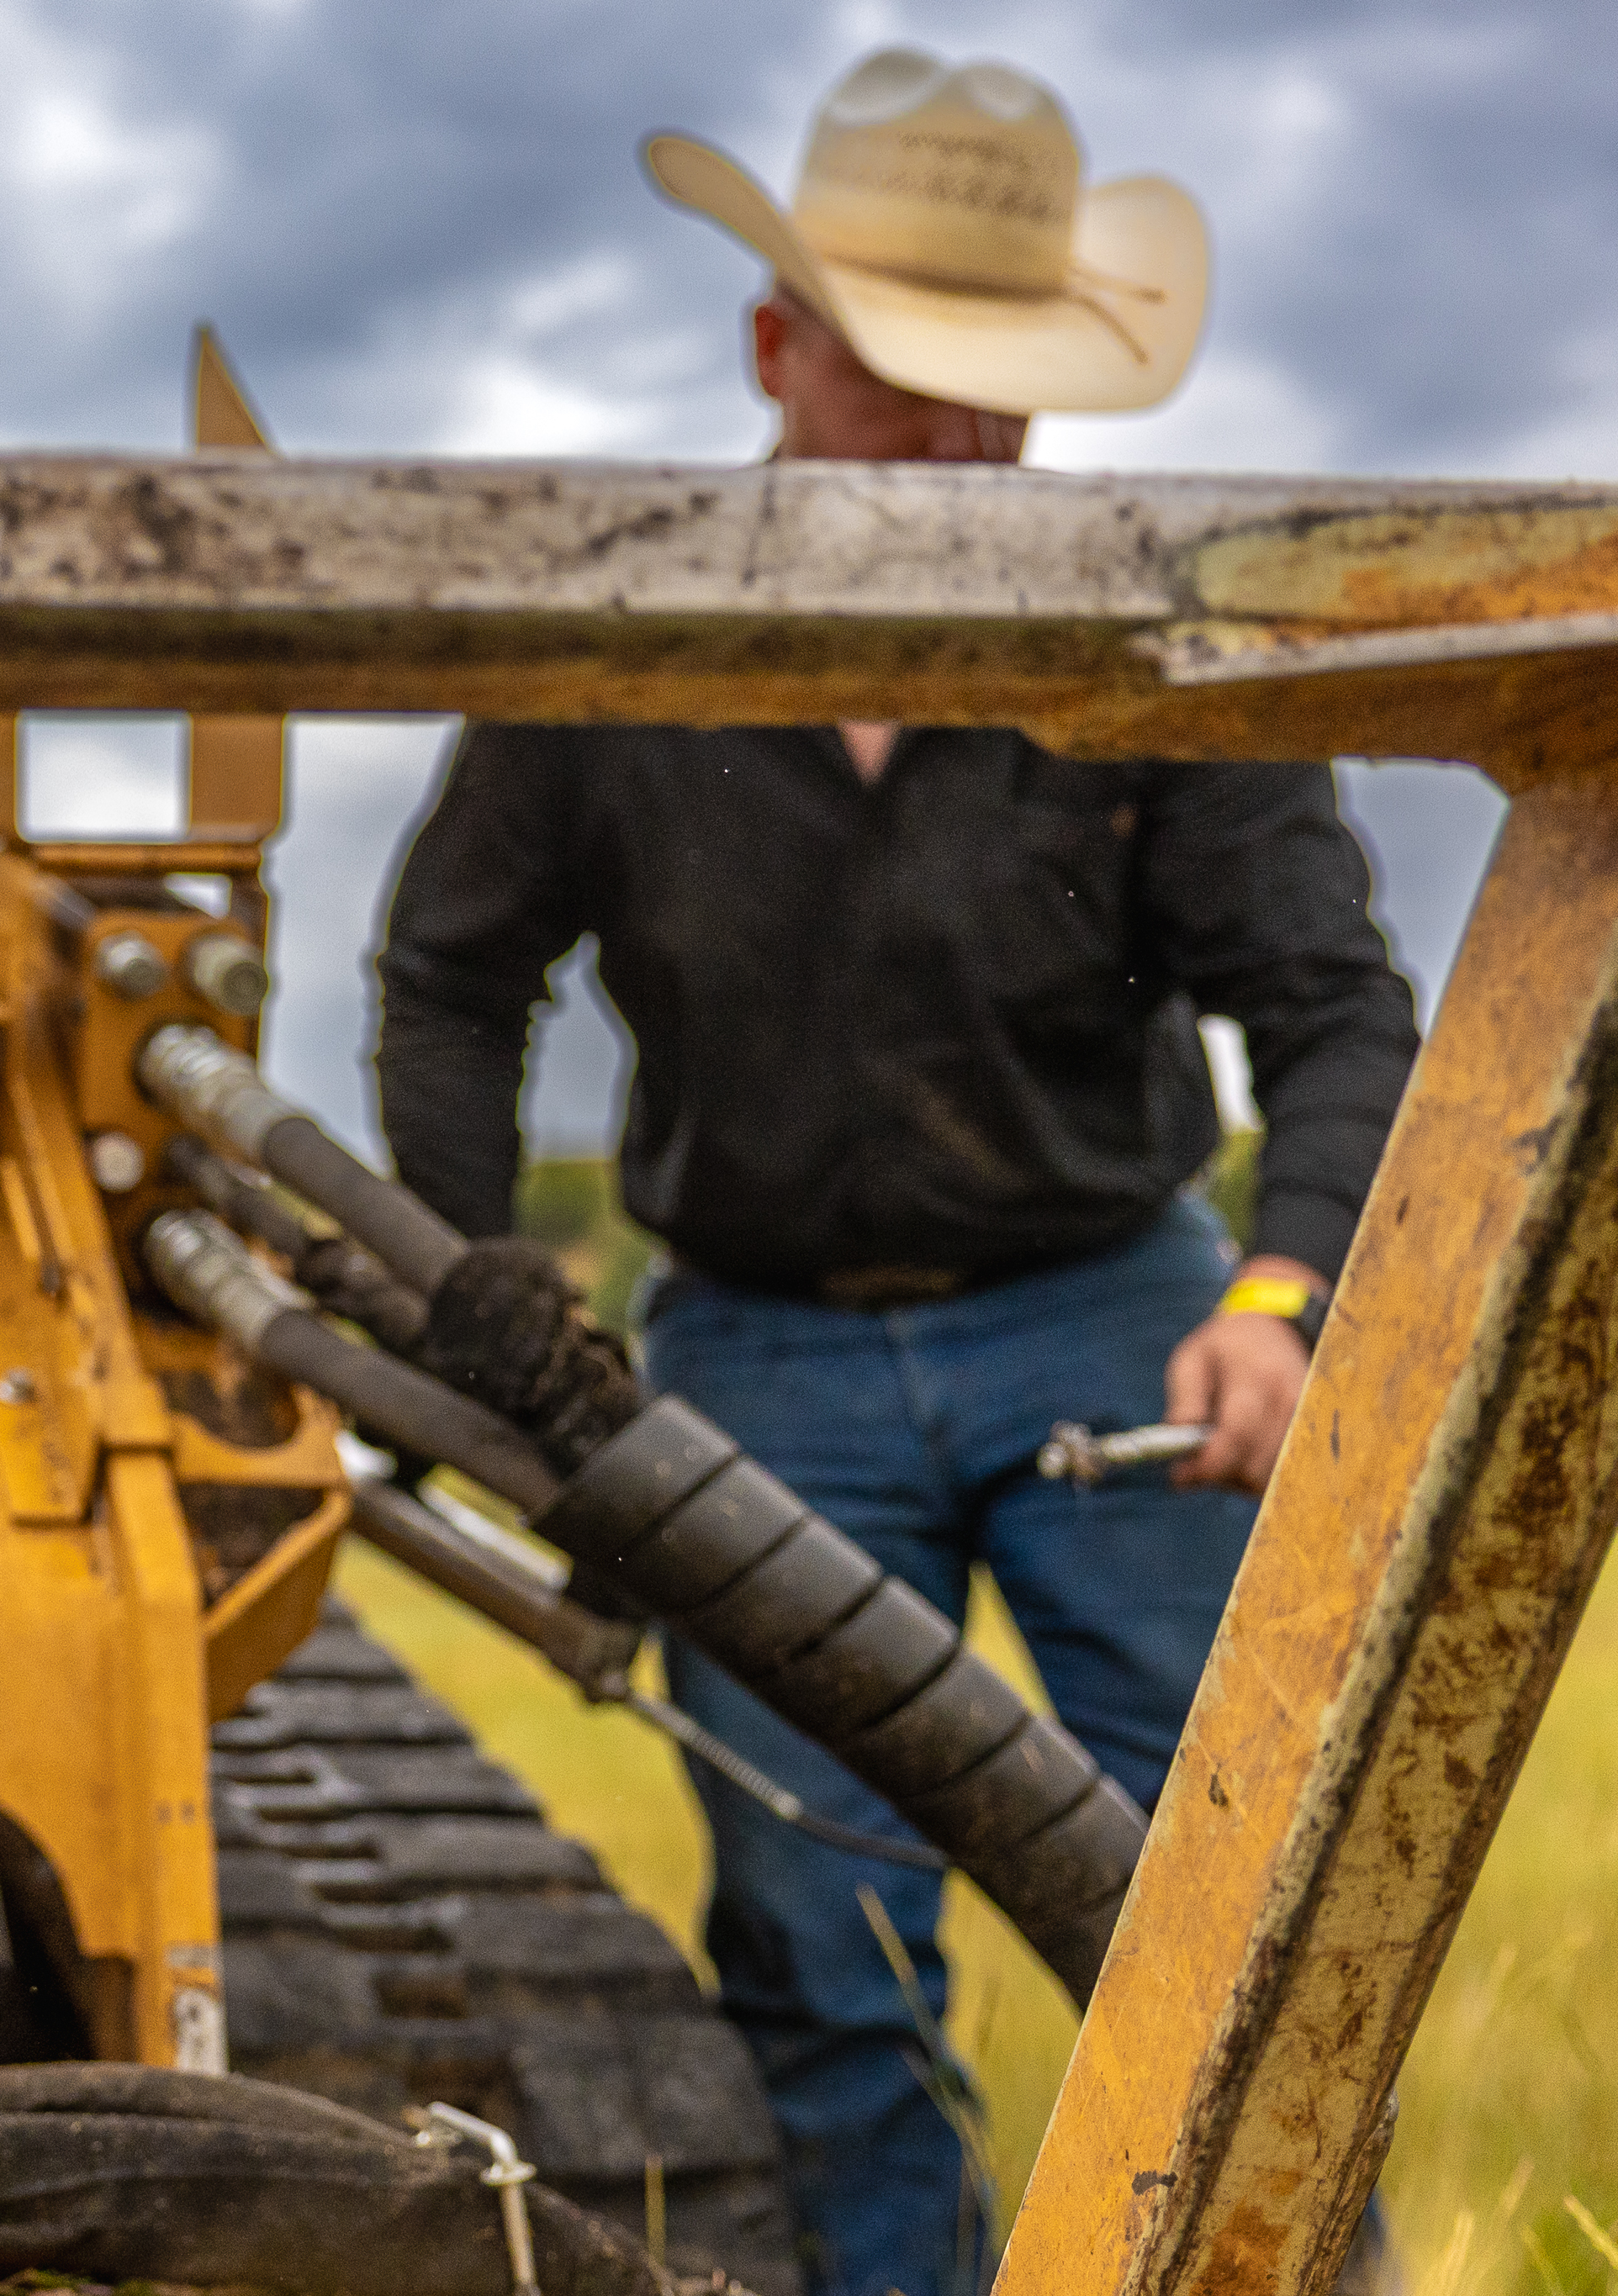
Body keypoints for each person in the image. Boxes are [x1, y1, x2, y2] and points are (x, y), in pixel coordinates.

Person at [372, 50, 1420, 2296]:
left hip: (1112, 1310)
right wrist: (475, 1269)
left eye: (1007, 396)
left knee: (1229, 1896)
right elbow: (450, 980)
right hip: (755, 1355)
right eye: (916, 383)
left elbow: (1334, 1011)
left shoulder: (1150, 627)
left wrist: (1280, 1295)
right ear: (775, 349)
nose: (965, 446)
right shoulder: (611, 640)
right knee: (825, 1949)